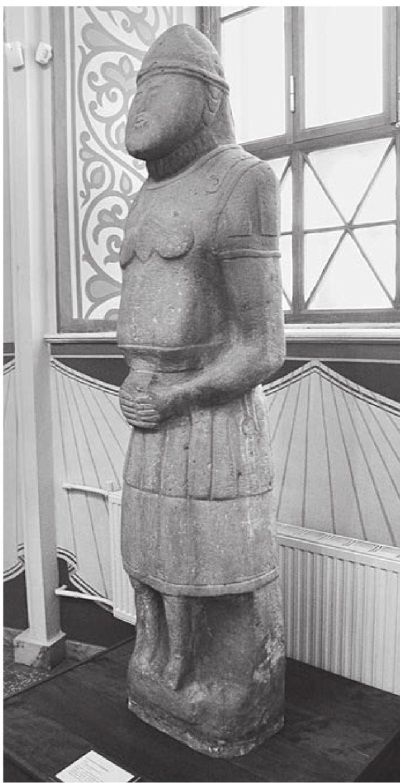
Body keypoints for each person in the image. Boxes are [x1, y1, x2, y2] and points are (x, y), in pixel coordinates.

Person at [117, 23, 285, 757]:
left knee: (217, 567)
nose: (139, 102)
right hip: (149, 416)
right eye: (137, 87)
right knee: (150, 561)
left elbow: (264, 344)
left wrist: (180, 396)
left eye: (157, 85)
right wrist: (141, 384)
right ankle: (161, 664)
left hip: (211, 421)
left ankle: (228, 682)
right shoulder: (146, 195)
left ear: (208, 96)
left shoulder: (243, 180)